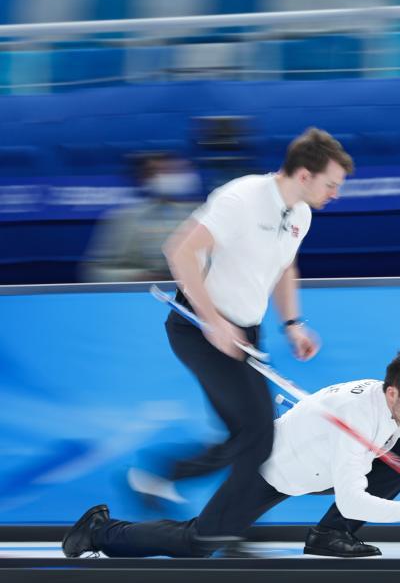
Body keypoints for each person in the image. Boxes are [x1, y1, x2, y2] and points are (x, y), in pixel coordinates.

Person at [125, 128, 352, 526]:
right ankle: (223, 528)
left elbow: (285, 267)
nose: (336, 193)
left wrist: (292, 324)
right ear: (304, 175)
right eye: (331, 184)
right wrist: (213, 322)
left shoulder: (300, 214)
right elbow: (180, 251)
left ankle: (162, 478)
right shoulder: (241, 198)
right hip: (199, 327)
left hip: (244, 334)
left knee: (249, 437)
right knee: (258, 435)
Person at [62, 350, 400, 558]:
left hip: (313, 466)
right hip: (269, 470)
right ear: (393, 392)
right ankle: (99, 530)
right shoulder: (358, 420)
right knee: (199, 542)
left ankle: (328, 538)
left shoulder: (390, 407)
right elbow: (352, 500)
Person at [80, 152, 202, 283]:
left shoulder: (207, 213)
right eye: (163, 171)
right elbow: (95, 272)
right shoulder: (123, 219)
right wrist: (137, 276)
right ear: (144, 178)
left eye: (178, 170)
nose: (173, 176)